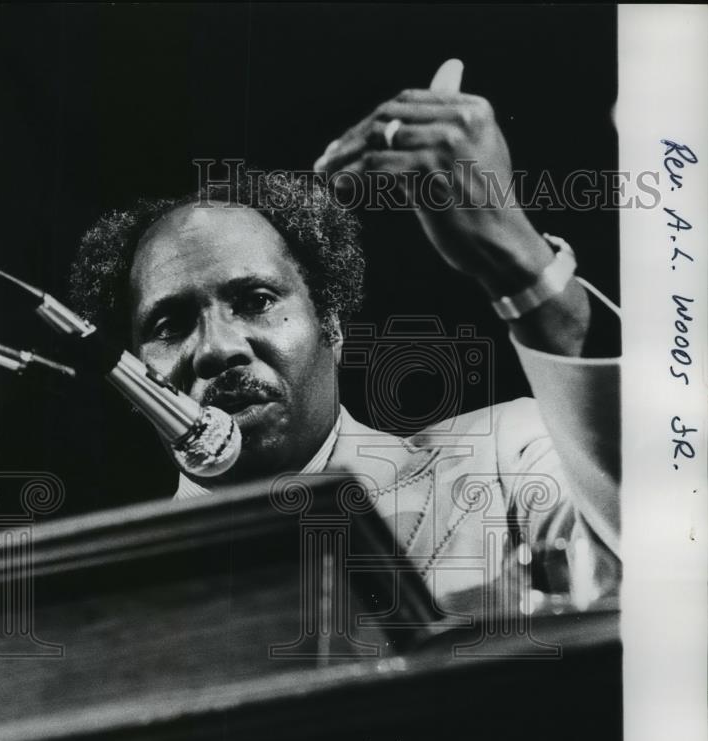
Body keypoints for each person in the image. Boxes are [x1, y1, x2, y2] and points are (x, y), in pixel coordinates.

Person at [70, 60, 620, 620]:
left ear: (331, 323)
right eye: (170, 326)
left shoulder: (505, 460)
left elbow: (668, 558)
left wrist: (522, 266)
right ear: (133, 373)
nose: (217, 348)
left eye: (256, 302)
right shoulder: (110, 598)